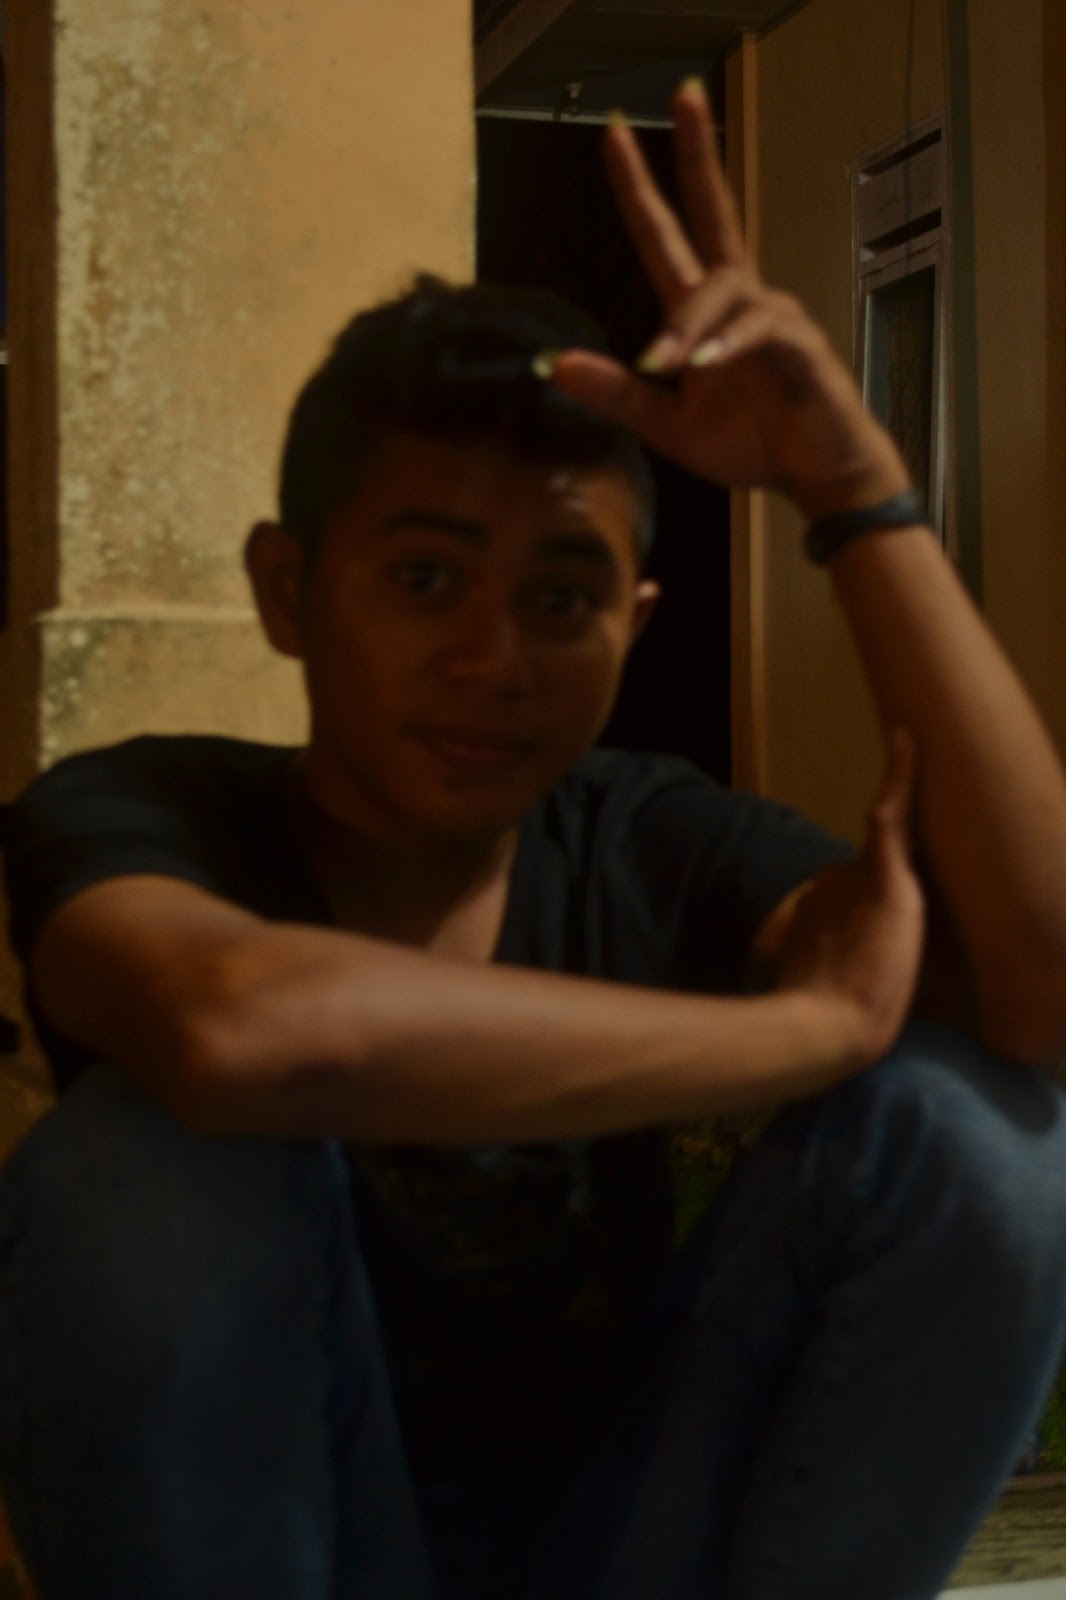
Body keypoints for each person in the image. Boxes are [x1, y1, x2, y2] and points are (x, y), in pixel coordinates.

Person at [2, 78, 1066, 1600]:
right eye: (426, 581)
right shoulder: (145, 810)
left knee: (983, 1133)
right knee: (139, 1167)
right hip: (307, 1540)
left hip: (618, 1544)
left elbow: (1042, 995)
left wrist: (857, 491)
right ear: (288, 591)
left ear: (633, 624)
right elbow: (239, 1030)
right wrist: (807, 1033)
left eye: (562, 599)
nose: (492, 661)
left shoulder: (647, 831)